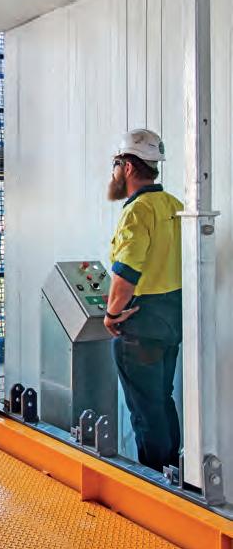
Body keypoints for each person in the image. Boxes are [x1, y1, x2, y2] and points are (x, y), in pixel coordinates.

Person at [104, 129, 183, 473]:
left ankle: (156, 484)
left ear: (129, 167)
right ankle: (175, 476)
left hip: (140, 326)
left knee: (145, 411)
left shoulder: (137, 212)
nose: (114, 172)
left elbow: (126, 275)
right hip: (172, 322)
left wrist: (111, 315)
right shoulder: (174, 206)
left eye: (116, 164)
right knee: (162, 401)